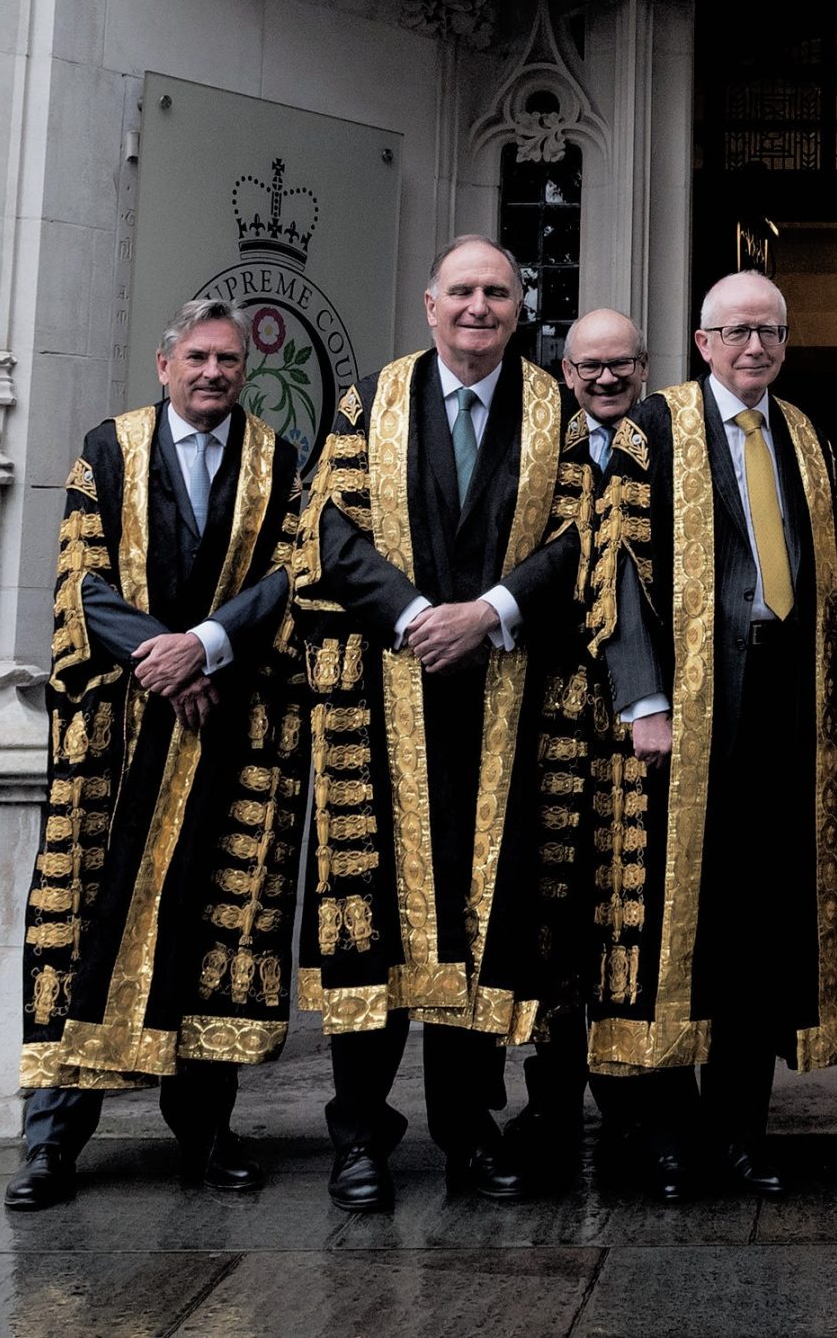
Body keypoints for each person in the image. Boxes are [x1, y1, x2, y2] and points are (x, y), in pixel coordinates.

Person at [286, 236, 579, 1210]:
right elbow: (327, 526)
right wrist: (417, 616)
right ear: (428, 302)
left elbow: (588, 535)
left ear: (517, 304)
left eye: (497, 291)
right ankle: (360, 1133)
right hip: (387, 703)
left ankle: (468, 1129)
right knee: (371, 917)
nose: (479, 306)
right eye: (463, 290)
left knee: (480, 919)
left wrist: (490, 608)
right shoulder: (370, 403)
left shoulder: (556, 408)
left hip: (504, 704)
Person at [7, 303, 304, 1209]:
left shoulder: (278, 460)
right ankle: (53, 1139)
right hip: (123, 729)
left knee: (213, 917)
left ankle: (206, 1129)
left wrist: (207, 644)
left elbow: (290, 577)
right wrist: (165, 661)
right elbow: (80, 581)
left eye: (227, 360)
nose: (214, 372)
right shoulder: (108, 450)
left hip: (227, 722)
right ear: (165, 363)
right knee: (87, 914)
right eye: (198, 357)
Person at [584, 271, 837, 1198]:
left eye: (770, 332)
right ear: (702, 342)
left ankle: (741, 1130)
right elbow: (610, 566)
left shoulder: (804, 435)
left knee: (757, 924)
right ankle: (666, 1134)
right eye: (736, 332)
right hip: (685, 715)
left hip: (783, 707)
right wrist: (642, 701)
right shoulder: (651, 429)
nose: (755, 348)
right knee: (667, 919)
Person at [496, 308, 652, 1189]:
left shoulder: (667, 446)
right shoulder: (536, 453)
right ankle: (550, 1097)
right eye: (588, 365)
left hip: (641, 724)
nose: (604, 378)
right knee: (551, 914)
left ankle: (635, 1103)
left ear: (644, 366)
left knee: (634, 908)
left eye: (619, 364)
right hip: (544, 717)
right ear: (563, 371)